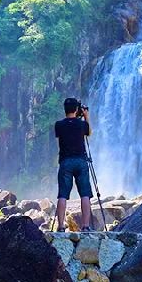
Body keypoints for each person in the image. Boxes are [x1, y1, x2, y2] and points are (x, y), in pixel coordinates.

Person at [54, 97, 93, 232]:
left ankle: (60, 226)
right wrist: (86, 116)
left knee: (62, 195)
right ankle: (86, 226)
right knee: (85, 194)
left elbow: (61, 136)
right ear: (77, 109)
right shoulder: (82, 124)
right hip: (81, 161)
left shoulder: (59, 125)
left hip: (66, 162)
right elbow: (89, 133)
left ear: (65, 110)